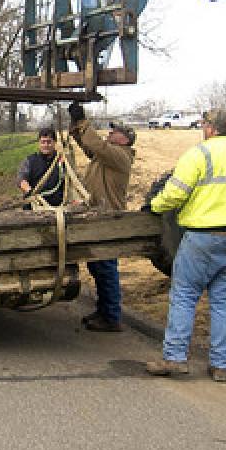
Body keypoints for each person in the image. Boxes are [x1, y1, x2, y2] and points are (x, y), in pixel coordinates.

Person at [145, 108, 226, 382]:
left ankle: (175, 358)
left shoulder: (200, 154)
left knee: (185, 296)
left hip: (203, 238)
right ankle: (221, 366)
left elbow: (175, 193)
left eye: (204, 124)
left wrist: (153, 206)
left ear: (211, 128)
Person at [68, 102, 136, 332]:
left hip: (108, 219)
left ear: (124, 139)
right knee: (98, 267)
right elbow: (89, 146)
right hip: (97, 216)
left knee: (106, 268)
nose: (110, 132)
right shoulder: (107, 155)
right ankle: (104, 310)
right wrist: (77, 125)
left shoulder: (120, 156)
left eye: (114, 132)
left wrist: (84, 121)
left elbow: (95, 144)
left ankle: (112, 317)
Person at [17, 127, 67, 207]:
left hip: (57, 208)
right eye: (43, 142)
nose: (46, 145)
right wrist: (30, 191)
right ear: (39, 143)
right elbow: (21, 179)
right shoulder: (30, 161)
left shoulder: (63, 161)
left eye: (49, 142)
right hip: (34, 208)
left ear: (55, 143)